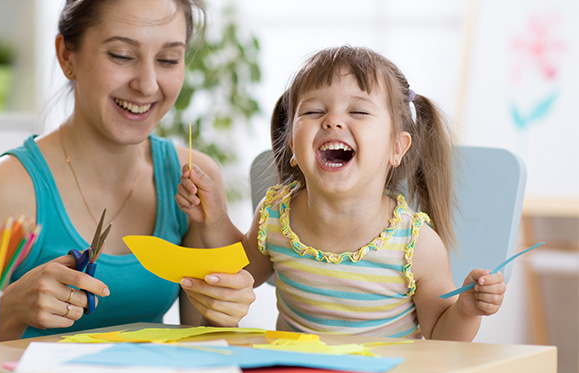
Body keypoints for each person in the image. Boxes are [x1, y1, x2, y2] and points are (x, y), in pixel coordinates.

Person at [0, 0, 255, 341]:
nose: (147, 84)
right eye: (122, 55)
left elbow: (200, 343)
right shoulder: (3, 189)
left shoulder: (191, 179)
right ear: (66, 56)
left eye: (168, 59)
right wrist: (9, 309)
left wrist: (224, 307)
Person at [177, 45, 506, 340]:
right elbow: (242, 272)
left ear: (397, 147)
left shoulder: (415, 244)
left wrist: (466, 310)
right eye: (314, 111)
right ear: (292, 144)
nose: (333, 120)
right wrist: (213, 215)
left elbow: (442, 336)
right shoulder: (276, 215)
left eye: (359, 112)